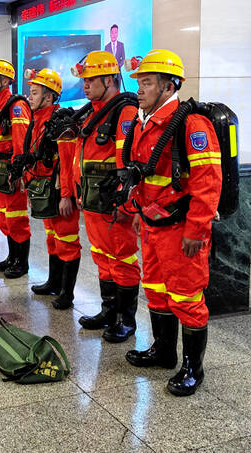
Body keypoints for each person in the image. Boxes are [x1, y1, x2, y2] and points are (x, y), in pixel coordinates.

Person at [122, 49, 222, 397]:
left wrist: (197, 230)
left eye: (148, 83)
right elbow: (143, 176)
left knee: (186, 295)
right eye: (140, 82)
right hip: (152, 224)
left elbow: (208, 183)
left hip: (181, 230)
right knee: (156, 289)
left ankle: (194, 368)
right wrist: (138, 212)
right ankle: (164, 351)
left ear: (169, 86)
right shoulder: (144, 122)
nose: (140, 89)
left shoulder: (191, 125)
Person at [71, 51, 141, 341]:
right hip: (93, 199)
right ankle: (108, 312)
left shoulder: (124, 111)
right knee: (101, 256)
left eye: (91, 80)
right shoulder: (92, 111)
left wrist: (127, 203)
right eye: (84, 80)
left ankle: (126, 320)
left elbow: (128, 160)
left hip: (113, 201)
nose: (86, 85)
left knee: (122, 258)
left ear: (110, 80)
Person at [22, 68, 82, 309]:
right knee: (52, 238)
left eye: (35, 93)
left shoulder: (60, 123)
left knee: (67, 241)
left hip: (58, 192)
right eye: (30, 92)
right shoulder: (37, 120)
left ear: (49, 97)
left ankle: (67, 293)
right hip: (43, 189)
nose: (29, 97)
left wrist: (66, 196)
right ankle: (53, 282)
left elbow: (67, 164)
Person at [0, 59, 32, 279]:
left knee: (16, 217)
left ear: (5, 81)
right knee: (3, 216)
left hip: (10, 169)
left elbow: (21, 140)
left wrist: (17, 170)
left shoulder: (16, 105)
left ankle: (22, 262)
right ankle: (12, 257)